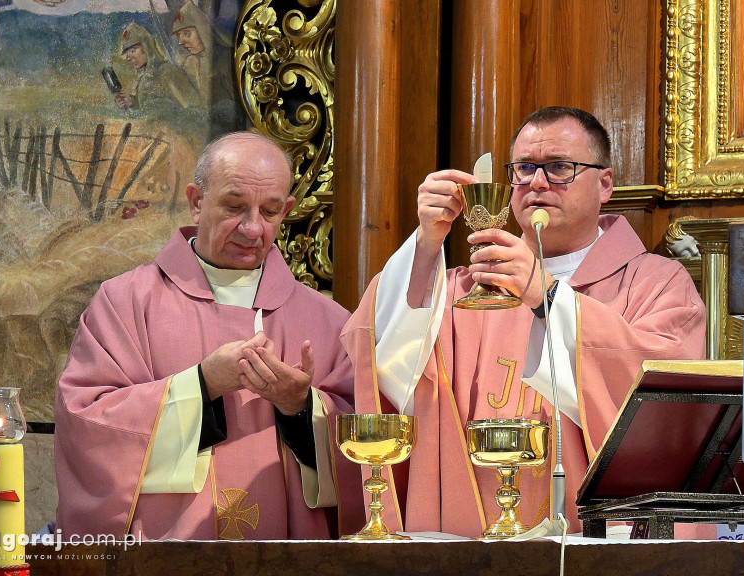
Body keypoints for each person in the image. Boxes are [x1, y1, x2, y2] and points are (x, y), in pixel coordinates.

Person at [341, 106, 707, 537]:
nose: (537, 182)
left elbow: (666, 405)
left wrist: (548, 298)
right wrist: (426, 243)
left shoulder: (657, 283)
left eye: (559, 168)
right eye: (525, 168)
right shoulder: (460, 291)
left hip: (594, 539)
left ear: (604, 184)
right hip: (471, 539)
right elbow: (383, 363)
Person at [55, 131, 362, 540]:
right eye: (234, 207)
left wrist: (301, 408)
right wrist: (202, 385)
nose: (253, 229)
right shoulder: (126, 302)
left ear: (286, 209)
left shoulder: (328, 320)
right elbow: (86, 424)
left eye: (270, 212)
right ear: (196, 201)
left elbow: (371, 447)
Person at [113, 22, 201, 113]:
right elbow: (148, 110)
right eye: (127, 52)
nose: (128, 57)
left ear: (146, 48)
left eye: (133, 50)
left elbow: (194, 110)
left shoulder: (169, 72)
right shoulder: (144, 80)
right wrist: (132, 102)